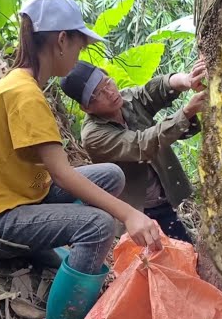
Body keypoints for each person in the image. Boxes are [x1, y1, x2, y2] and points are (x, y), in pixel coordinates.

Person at [0, 0, 161, 319]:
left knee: (111, 175)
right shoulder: (25, 94)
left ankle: (51, 244)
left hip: (20, 196)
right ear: (61, 41)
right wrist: (130, 214)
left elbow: (53, 172)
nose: (79, 55)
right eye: (79, 45)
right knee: (100, 224)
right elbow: (62, 174)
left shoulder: (22, 82)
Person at [59, 58, 208, 244]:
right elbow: (142, 144)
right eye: (98, 94)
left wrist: (186, 80)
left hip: (166, 197)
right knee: (161, 265)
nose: (110, 92)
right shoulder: (94, 135)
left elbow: (156, 89)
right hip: (140, 212)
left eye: (107, 82)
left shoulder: (126, 99)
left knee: (187, 254)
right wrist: (185, 114)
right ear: (86, 107)